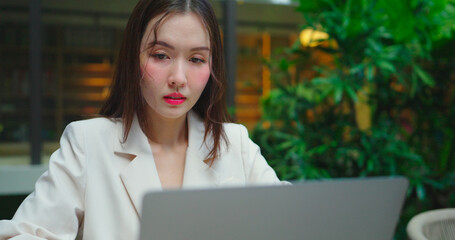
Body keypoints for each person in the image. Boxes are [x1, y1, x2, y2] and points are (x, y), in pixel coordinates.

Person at [0, 0, 285, 239]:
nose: (178, 78)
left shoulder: (235, 144)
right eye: (161, 55)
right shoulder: (88, 143)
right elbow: (27, 233)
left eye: (196, 59)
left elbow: (291, 222)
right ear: (133, 57)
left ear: (212, 66)